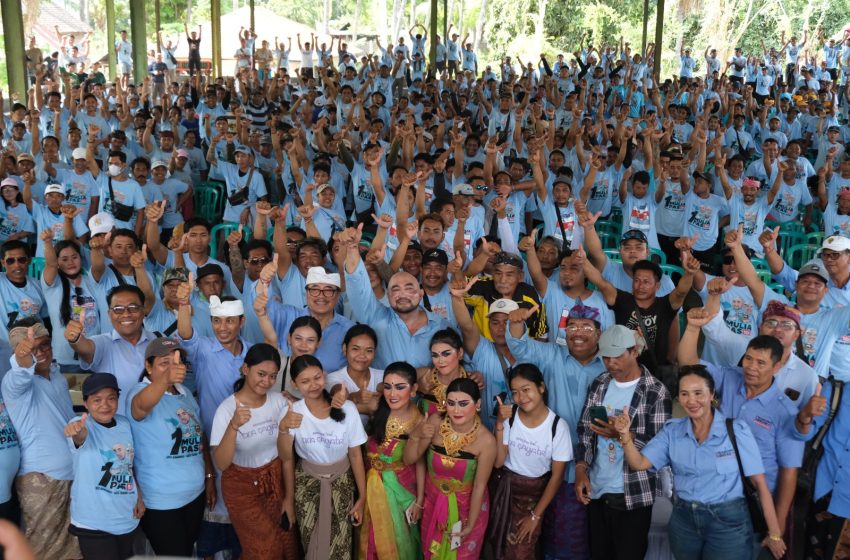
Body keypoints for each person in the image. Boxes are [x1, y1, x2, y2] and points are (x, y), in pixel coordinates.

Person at [613, 366, 787, 560]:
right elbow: (640, 463)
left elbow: (760, 484)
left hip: (728, 522)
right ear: (678, 398)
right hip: (684, 521)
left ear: (711, 394)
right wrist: (625, 437)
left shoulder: (736, 429)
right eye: (685, 394)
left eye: (698, 393)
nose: (692, 400)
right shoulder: (672, 432)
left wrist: (774, 534)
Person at [575, 325, 672, 560]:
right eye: (605, 357)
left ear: (634, 351)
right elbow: (585, 431)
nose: (610, 363)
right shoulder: (600, 383)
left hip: (633, 494)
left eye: (617, 356)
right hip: (597, 490)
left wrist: (618, 434)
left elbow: (658, 448)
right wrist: (581, 470)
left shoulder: (656, 392)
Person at [210, 342, 299, 560]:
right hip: (242, 488)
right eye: (261, 374)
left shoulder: (280, 403)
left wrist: (289, 499)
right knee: (266, 549)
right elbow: (221, 463)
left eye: (272, 376)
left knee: (288, 545)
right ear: (245, 369)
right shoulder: (227, 409)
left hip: (275, 480)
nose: (266, 381)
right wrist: (233, 426)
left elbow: (286, 458)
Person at [127, 337, 214, 556]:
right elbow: (140, 407)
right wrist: (165, 380)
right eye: (164, 362)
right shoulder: (139, 392)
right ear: (148, 366)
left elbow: (200, 435)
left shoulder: (185, 394)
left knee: (186, 552)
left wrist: (209, 476)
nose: (172, 367)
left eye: (176, 361)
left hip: (195, 495)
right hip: (161, 502)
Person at [1, 320, 80, 559]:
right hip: (42, 480)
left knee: (73, 549)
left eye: (45, 344)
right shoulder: (14, 383)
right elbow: (22, 371)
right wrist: (24, 356)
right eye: (32, 348)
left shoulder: (57, 376)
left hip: (72, 475)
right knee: (42, 550)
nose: (41, 351)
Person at [279, 354, 367, 560]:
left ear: (324, 376)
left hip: (342, 484)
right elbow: (286, 458)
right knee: (311, 542)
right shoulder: (293, 412)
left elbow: (355, 455)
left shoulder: (347, 409)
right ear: (294, 384)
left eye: (317, 378)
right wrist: (284, 428)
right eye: (305, 381)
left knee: (341, 543)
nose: (313, 385)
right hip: (307, 486)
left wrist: (362, 497)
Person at [404, 377, 496, 559]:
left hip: (468, 509)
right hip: (433, 502)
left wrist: (470, 524)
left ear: (477, 404)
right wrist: (416, 435)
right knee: (431, 552)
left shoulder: (486, 441)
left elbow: (479, 487)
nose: (456, 410)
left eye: (463, 404)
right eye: (451, 403)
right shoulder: (435, 423)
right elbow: (411, 460)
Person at [489, 363, 571, 560]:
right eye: (515, 392)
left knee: (522, 550)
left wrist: (535, 516)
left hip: (532, 499)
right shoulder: (510, 418)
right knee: (495, 547)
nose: (521, 397)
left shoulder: (558, 427)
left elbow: (557, 476)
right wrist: (499, 423)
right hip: (503, 491)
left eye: (526, 390)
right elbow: (499, 461)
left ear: (541, 387)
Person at [64, 373, 144, 560]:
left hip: (126, 516)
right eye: (96, 400)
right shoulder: (79, 424)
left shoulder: (125, 424)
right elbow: (79, 437)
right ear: (85, 404)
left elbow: (128, 466)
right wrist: (77, 432)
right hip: (94, 521)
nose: (105, 405)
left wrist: (138, 495)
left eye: (111, 398)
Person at [359, 362, 424, 559]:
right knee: (371, 539)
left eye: (400, 387)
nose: (392, 393)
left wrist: (420, 501)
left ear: (413, 390)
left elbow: (420, 463)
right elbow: (343, 410)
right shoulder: (377, 406)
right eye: (387, 386)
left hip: (401, 487)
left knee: (400, 539)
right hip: (370, 484)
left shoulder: (418, 420)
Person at [66, 285, 157, 412]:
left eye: (133, 307)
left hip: (154, 426)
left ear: (143, 311)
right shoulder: (103, 343)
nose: (126, 314)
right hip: (121, 428)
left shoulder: (157, 340)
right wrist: (75, 339)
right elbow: (85, 348)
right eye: (118, 309)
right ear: (109, 314)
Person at [326, 324, 384, 428]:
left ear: (375, 353)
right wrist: (355, 397)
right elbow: (339, 391)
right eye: (355, 349)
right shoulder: (332, 378)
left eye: (369, 350)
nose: (362, 355)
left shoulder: (383, 376)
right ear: (345, 349)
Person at [416, 328, 471, 416]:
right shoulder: (425, 374)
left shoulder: (470, 382)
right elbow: (391, 384)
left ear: (460, 353)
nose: (440, 361)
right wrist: (417, 386)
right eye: (435, 355)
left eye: (446, 354)